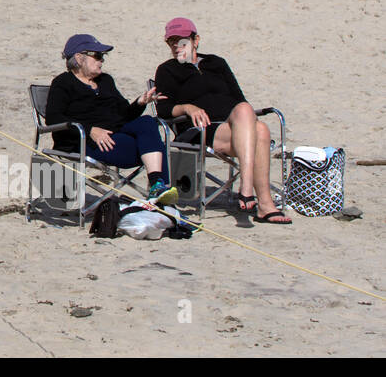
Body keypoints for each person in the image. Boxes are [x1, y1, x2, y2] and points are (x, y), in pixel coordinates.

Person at [155, 18, 290, 224]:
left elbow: (239, 98)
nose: (175, 45)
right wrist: (187, 107)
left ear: (196, 40)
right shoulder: (167, 70)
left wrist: (239, 120)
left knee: (250, 115)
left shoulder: (216, 63)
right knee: (260, 131)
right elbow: (163, 111)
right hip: (198, 129)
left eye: (180, 40)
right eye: (171, 41)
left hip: (233, 123)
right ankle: (263, 203)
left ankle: (248, 189)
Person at [46, 34, 178, 205]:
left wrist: (140, 102)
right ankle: (161, 197)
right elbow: (53, 118)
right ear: (79, 58)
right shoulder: (63, 83)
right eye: (98, 56)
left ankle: (157, 186)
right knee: (156, 146)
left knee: (147, 121)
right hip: (86, 142)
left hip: (116, 132)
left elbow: (123, 114)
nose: (102, 61)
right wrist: (90, 130)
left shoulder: (105, 81)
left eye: (103, 57)